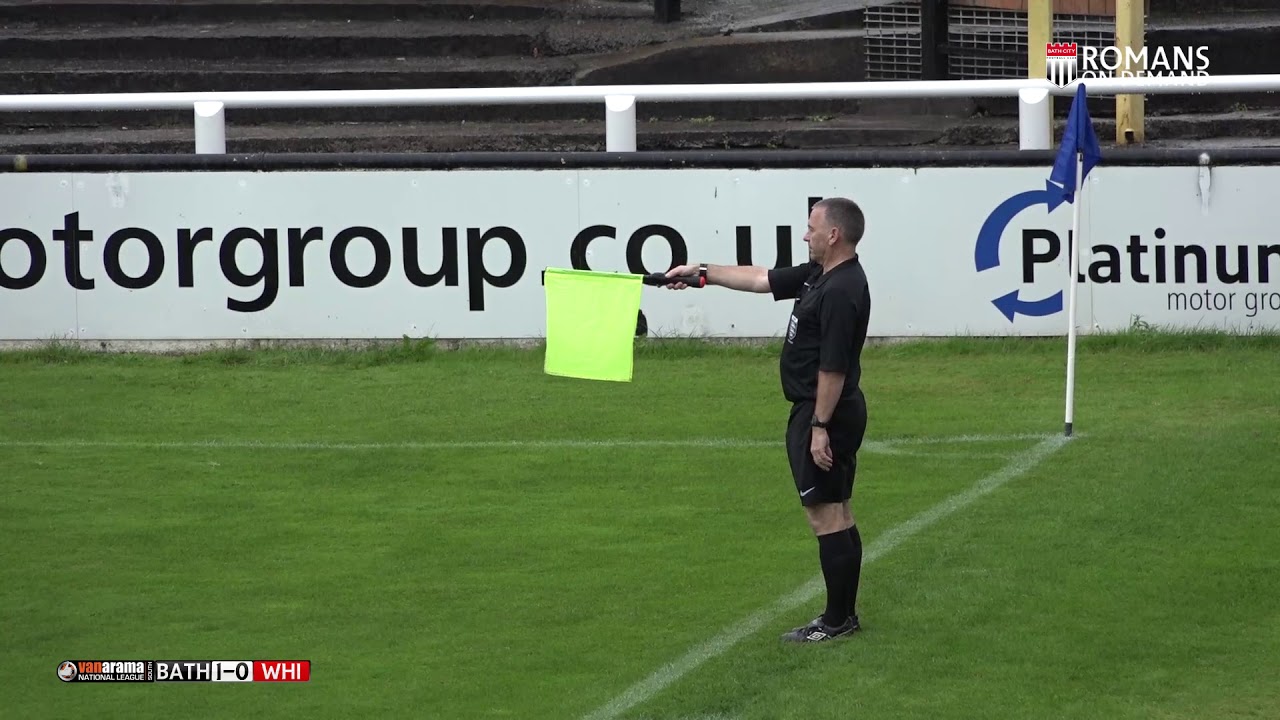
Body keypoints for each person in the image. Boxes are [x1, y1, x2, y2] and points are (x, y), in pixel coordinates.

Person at [663, 197, 871, 643]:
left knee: (826, 517)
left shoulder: (840, 290)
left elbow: (832, 369)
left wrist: (818, 427)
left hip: (825, 413)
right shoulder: (823, 275)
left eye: (811, 228)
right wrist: (701, 272)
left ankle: (836, 622)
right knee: (839, 512)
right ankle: (844, 616)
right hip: (827, 411)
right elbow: (761, 278)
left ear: (833, 235)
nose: (805, 234)